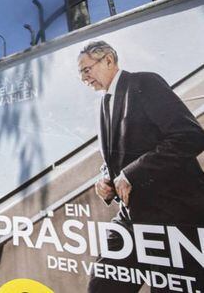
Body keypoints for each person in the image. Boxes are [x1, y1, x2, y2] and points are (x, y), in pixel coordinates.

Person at [77, 41, 204, 292]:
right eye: (80, 73)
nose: (83, 78)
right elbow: (118, 158)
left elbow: (190, 136)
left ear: (109, 61)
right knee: (101, 286)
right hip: (131, 218)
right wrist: (106, 179)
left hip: (174, 217)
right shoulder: (102, 104)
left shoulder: (144, 84)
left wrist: (132, 174)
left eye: (86, 69)